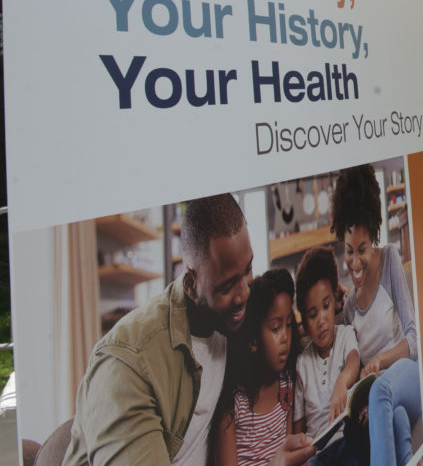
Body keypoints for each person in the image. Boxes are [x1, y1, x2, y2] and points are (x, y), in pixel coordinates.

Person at [62, 194, 316, 466]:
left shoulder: (229, 316)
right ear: (191, 284)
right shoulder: (128, 367)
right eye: (228, 285)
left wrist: (339, 303)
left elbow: (280, 327)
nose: (244, 293)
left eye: (248, 269)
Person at [332, 163, 421, 466]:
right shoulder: (348, 307)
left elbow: (414, 340)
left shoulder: (391, 261)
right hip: (379, 401)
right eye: (348, 251)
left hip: (406, 377)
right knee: (394, 417)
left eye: (362, 249)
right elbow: (353, 365)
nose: (354, 262)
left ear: (375, 240)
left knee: (383, 392)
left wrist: (381, 361)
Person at [212, 269, 299, 465]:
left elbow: (290, 448)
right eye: (276, 328)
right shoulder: (233, 405)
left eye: (289, 324)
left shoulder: (288, 383)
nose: (285, 337)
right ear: (253, 340)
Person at [293, 245, 360, 462]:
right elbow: (298, 428)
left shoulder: (345, 335)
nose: (321, 320)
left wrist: (342, 382)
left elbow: (353, 361)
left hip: (346, 440)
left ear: (335, 301)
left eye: (326, 306)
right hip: (318, 454)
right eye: (312, 315)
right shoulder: (302, 363)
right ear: (303, 318)